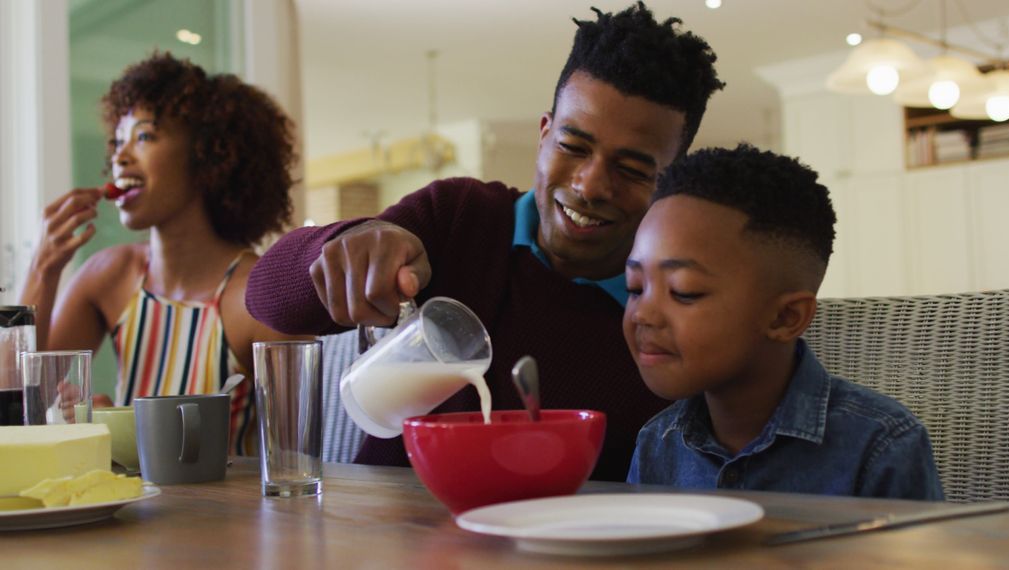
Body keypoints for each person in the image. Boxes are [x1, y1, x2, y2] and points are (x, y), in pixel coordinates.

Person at [245, 2, 725, 481]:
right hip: (391, 538)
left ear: (671, 178)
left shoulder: (673, 312)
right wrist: (353, 242)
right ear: (543, 134)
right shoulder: (461, 220)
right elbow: (266, 301)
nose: (590, 185)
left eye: (632, 169)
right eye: (572, 146)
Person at [19, 52, 307, 454]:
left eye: (144, 136)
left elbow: (294, 460)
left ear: (207, 155)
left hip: (226, 517)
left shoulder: (256, 297)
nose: (119, 156)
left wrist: (112, 422)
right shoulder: (110, 275)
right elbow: (12, 403)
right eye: (118, 141)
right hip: (125, 512)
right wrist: (42, 269)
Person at [624, 144, 943, 499]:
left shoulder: (882, 445)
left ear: (785, 317)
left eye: (684, 292)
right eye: (635, 287)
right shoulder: (657, 442)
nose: (643, 314)